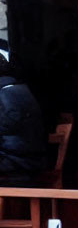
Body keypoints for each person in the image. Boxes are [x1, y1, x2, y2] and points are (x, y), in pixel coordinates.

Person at [0, 56, 46, 185]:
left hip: (18, 164)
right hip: (31, 160)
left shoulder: (4, 94)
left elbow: (6, 130)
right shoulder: (18, 88)